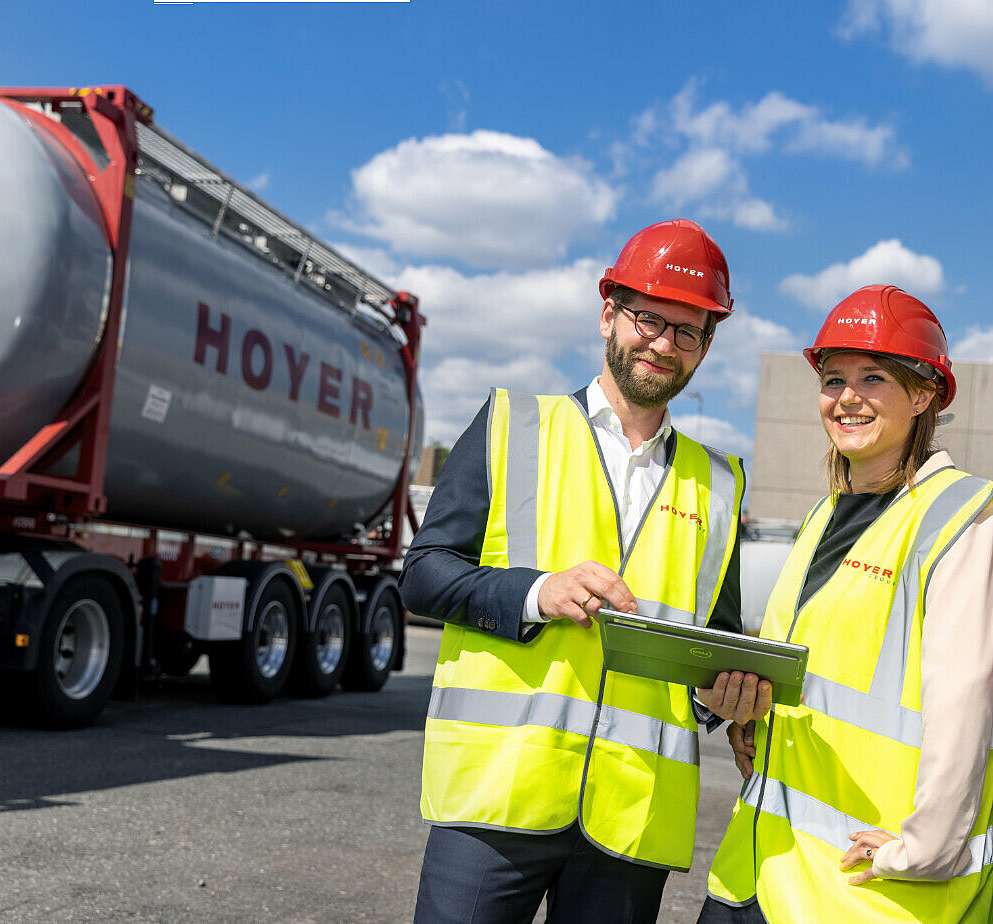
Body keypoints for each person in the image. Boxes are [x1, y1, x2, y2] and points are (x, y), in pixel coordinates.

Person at [400, 218, 773, 924]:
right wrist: (540, 591)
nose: (662, 344)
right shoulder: (512, 424)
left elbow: (709, 642)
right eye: (648, 319)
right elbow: (423, 575)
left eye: (685, 331)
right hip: (497, 798)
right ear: (608, 313)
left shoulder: (719, 483)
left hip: (632, 813)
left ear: (704, 345)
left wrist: (717, 699)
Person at [701, 285, 993, 923]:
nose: (847, 396)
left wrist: (926, 849)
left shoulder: (961, 517)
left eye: (873, 377)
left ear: (924, 395)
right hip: (760, 865)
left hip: (866, 888)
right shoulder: (824, 515)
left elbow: (966, 698)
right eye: (833, 379)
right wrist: (752, 719)